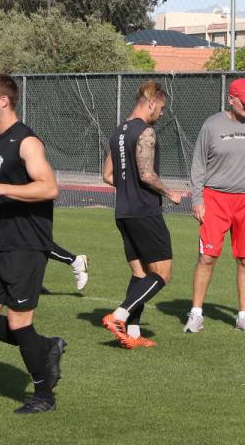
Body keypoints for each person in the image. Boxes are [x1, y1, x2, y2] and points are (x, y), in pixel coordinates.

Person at [0, 74, 66, 414]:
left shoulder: (27, 141)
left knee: (20, 323)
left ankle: (43, 396)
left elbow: (49, 188)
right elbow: (2, 185)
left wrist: (0, 191)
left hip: (26, 245)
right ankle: (45, 346)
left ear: (3, 101)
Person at [0, 93, 89, 292]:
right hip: (4, 216)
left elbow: (36, 185)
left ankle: (74, 261)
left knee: (35, 242)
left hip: (26, 206)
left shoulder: (0, 134)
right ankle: (69, 263)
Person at [184, 78, 245, 334]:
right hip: (215, 198)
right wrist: (197, 199)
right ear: (231, 99)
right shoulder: (212, 125)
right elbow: (198, 165)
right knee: (207, 257)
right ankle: (195, 314)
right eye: (244, 102)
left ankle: (244, 316)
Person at [101, 80, 181, 349]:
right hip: (145, 211)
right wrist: (170, 194)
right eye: (161, 108)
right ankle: (119, 315)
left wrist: (128, 186)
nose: (162, 113)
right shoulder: (145, 132)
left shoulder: (117, 133)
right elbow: (147, 174)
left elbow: (107, 175)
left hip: (122, 211)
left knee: (140, 274)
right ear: (151, 103)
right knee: (162, 274)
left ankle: (132, 336)